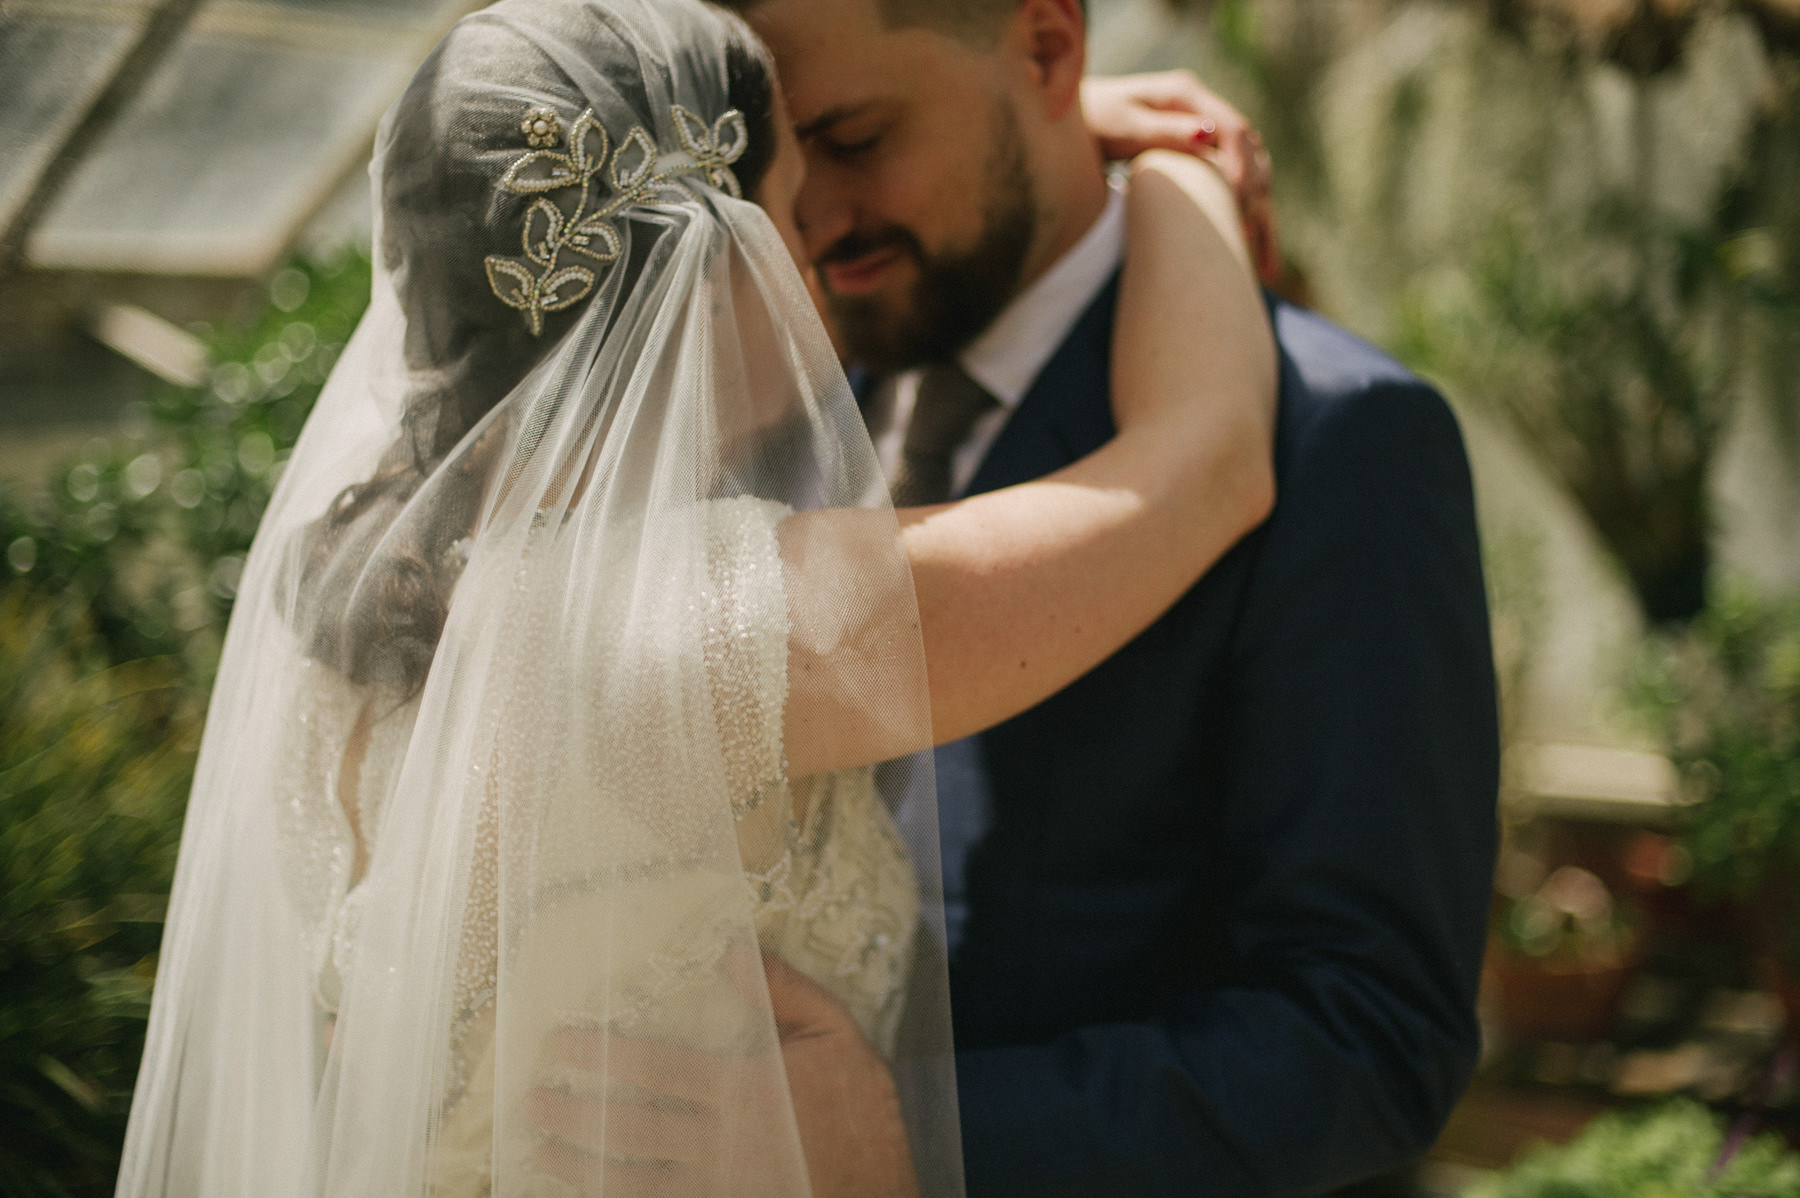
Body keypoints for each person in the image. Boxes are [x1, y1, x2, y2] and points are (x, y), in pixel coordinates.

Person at [114, 1, 1277, 1195]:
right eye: (788, 207)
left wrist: (1057, 119)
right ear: (713, 272)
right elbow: (1204, 464)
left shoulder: (358, 614)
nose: (818, 244)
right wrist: (1176, 167)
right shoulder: (690, 631)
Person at [694, 0, 1502, 1193]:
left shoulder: (1344, 438)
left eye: (857, 138)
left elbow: (1372, 1034)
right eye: (773, 161)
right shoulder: (756, 410)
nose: (808, 219)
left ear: (1049, 47)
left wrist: (911, 1137)